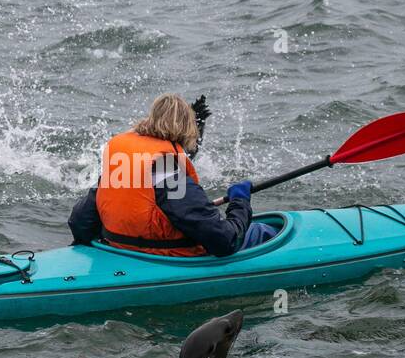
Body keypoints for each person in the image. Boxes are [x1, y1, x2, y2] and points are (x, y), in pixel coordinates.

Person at [67, 94, 277, 256]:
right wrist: (240, 202)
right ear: (187, 129)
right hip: (162, 256)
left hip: (118, 248)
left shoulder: (122, 160)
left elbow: (79, 222)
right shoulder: (169, 173)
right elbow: (224, 241)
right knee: (263, 231)